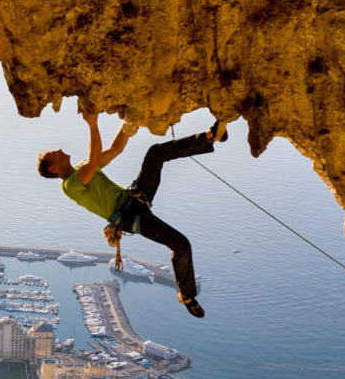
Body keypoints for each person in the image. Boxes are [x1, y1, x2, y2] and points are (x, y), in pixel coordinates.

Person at [37, 105, 226, 318]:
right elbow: (93, 160)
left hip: (135, 198)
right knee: (181, 244)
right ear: (53, 168)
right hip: (131, 217)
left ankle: (211, 136)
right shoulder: (70, 185)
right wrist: (93, 124)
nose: (59, 149)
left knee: (156, 153)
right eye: (55, 154)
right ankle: (187, 295)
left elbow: (115, 149)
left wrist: (128, 123)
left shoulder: (81, 168)